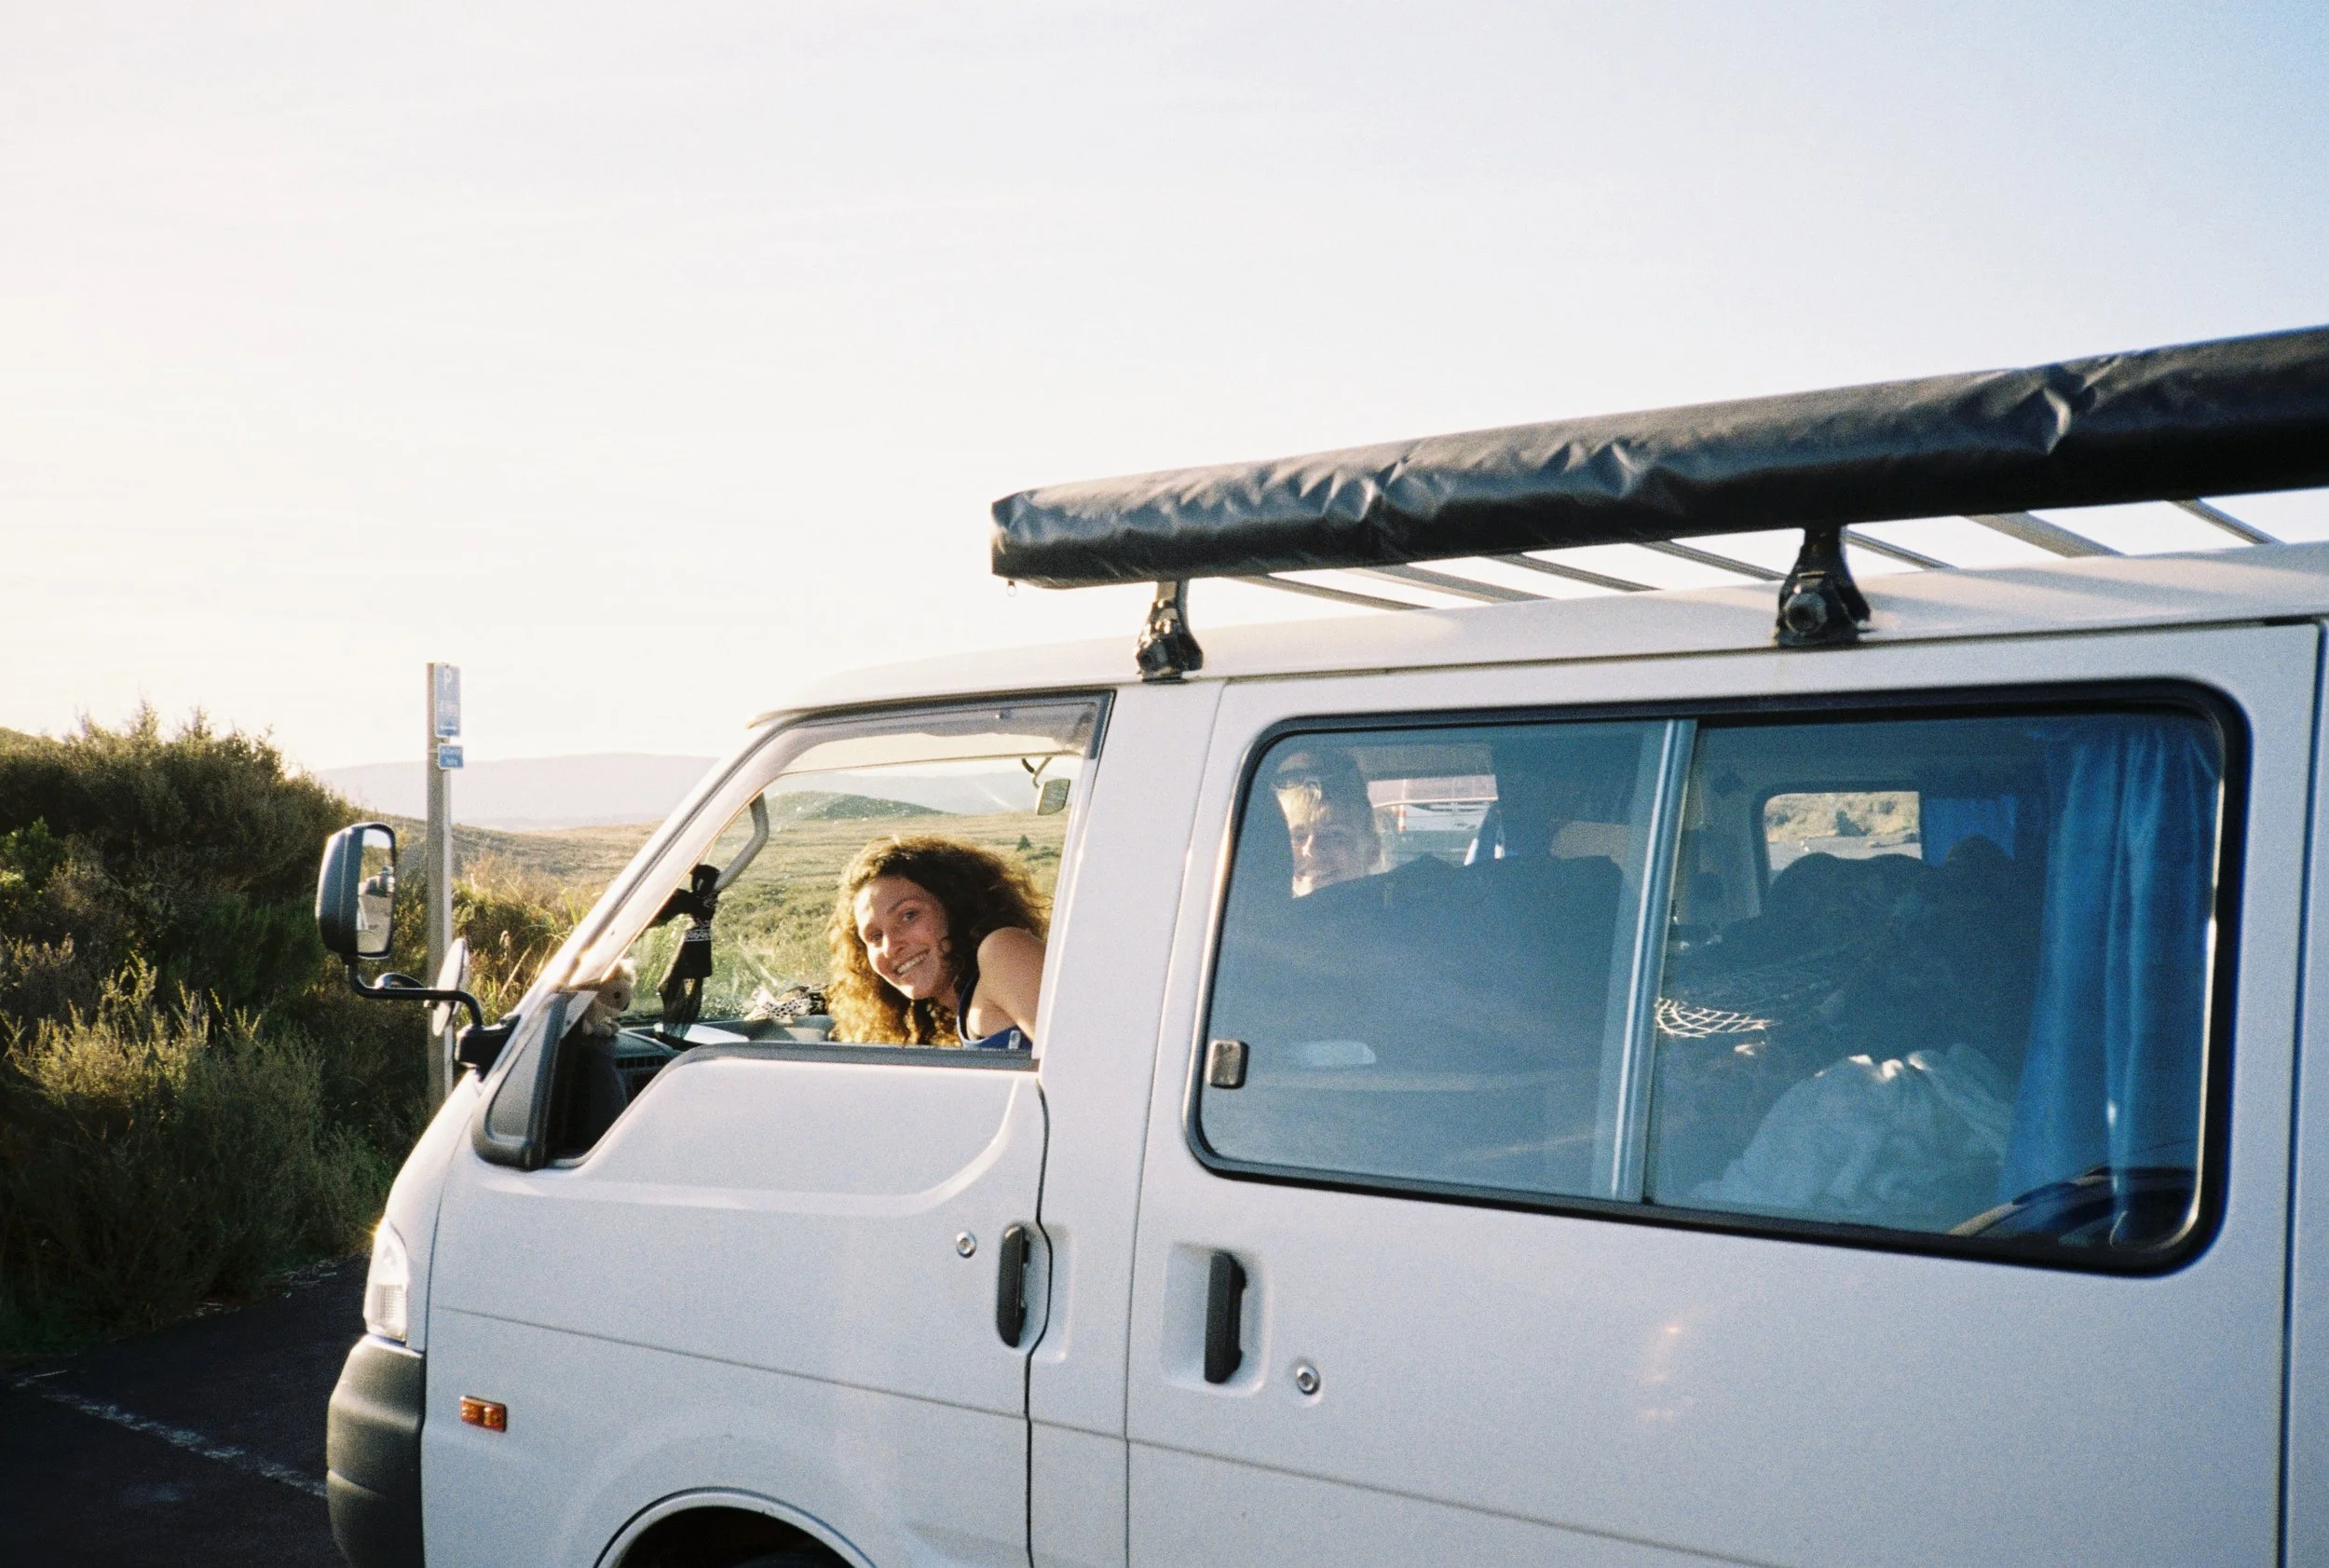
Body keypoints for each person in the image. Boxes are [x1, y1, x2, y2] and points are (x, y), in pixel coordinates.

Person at [825, 835, 1048, 1049]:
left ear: (956, 906)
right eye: (875, 937)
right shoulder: (963, 1013)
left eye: (909, 915)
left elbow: (1076, 1067)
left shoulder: (1003, 952)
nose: (891, 946)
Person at [1271, 746, 1382, 896]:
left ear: (1372, 850)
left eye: (1334, 834)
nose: (1311, 850)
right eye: (1299, 837)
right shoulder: (1252, 916)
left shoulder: (1397, 917)